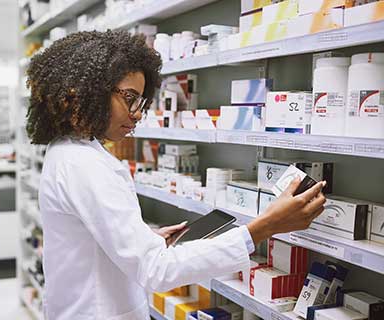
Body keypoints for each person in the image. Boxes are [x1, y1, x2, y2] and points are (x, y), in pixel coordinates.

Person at [26, 31, 327, 320]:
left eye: (141, 102)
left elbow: (92, 240)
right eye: (129, 98)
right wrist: (263, 228)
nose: (137, 113)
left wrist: (144, 239)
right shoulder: (83, 164)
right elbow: (156, 270)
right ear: (88, 90)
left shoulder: (71, 151)